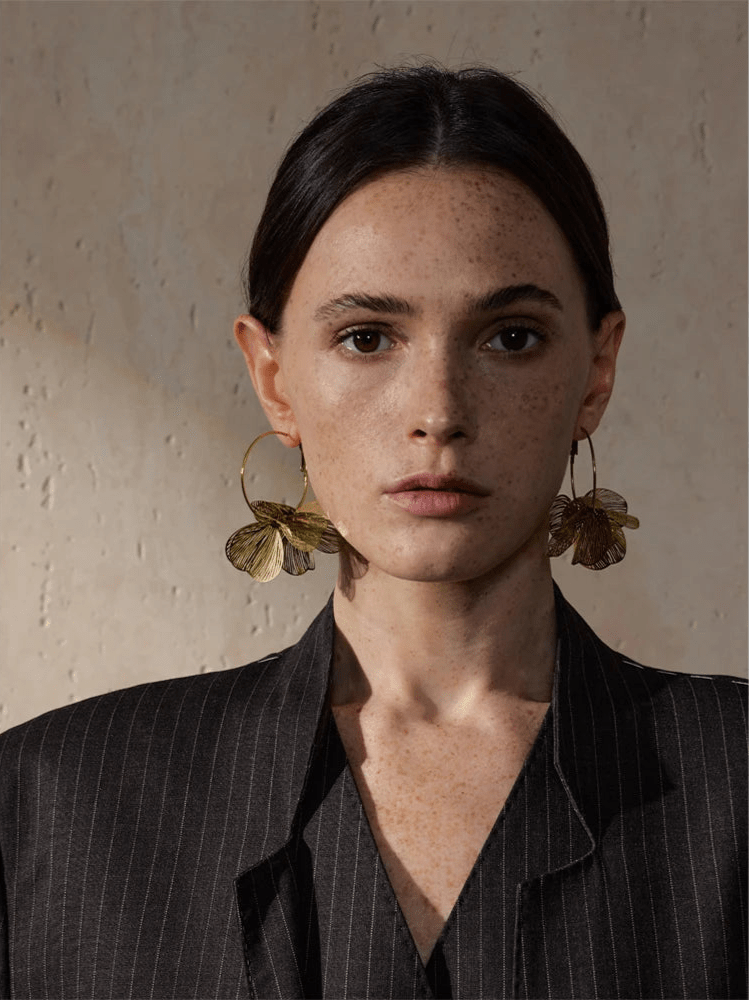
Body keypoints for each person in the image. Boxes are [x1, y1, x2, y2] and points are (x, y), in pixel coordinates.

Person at [0, 64, 745, 1001]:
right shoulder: (51, 809)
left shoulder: (735, 791)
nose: (436, 410)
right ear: (273, 378)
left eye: (508, 336)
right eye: (366, 337)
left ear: (594, 373)